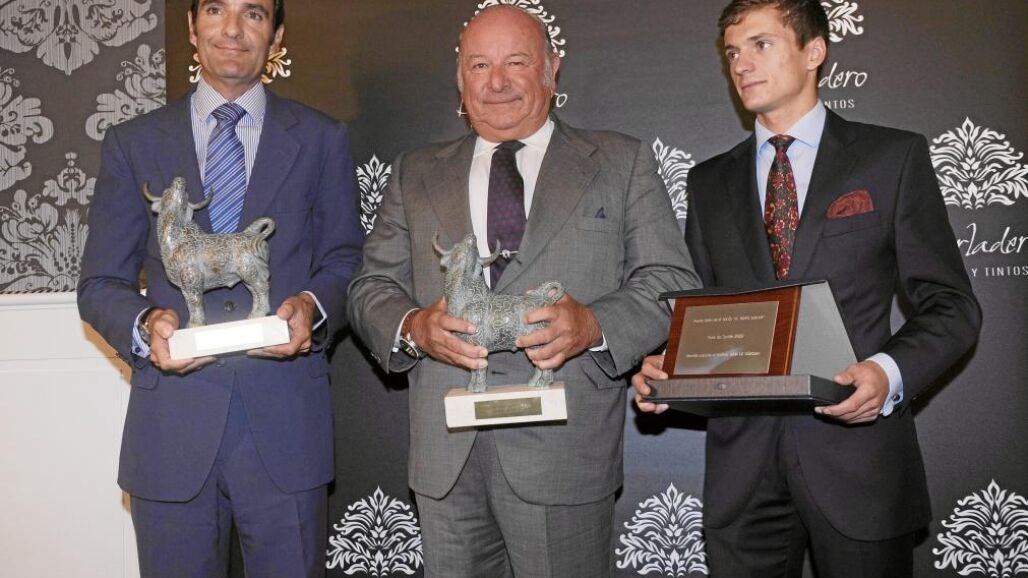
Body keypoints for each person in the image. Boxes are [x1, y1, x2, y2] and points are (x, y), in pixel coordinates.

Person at [347, 5, 698, 577]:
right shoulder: (415, 172)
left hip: (564, 454)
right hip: (446, 461)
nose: (497, 81)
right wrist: (414, 327)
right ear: (460, 79)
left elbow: (670, 282)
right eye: (479, 65)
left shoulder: (620, 162)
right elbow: (371, 287)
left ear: (552, 70)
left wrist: (593, 324)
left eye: (516, 62)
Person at [632, 1, 981, 576]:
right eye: (732, 52)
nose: (741, 64)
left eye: (761, 45)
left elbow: (952, 306)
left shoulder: (892, 158)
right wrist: (670, 368)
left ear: (814, 51)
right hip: (742, 472)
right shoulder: (708, 181)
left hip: (859, 464)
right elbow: (705, 311)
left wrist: (887, 374)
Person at [77, 0, 363, 575]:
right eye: (215, 9)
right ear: (191, 26)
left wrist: (311, 308)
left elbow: (345, 259)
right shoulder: (133, 142)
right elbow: (100, 281)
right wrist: (145, 325)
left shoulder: (323, 138)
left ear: (276, 35)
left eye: (253, 13)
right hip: (171, 435)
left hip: (287, 432)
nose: (232, 29)